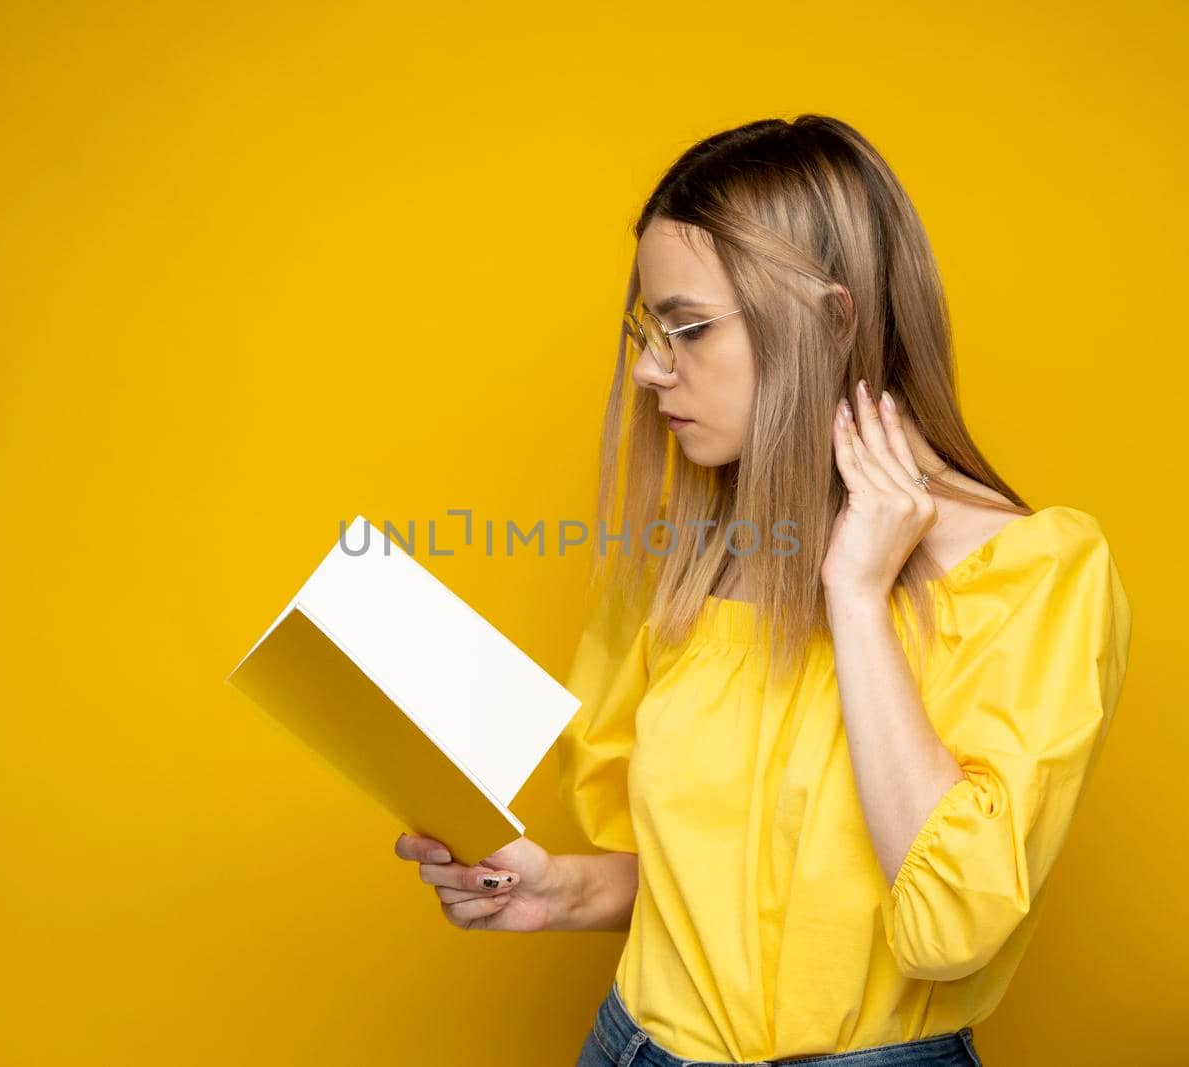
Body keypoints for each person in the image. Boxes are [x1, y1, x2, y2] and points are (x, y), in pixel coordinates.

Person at [393, 114, 1132, 1066]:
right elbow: (717, 880)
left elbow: (950, 925)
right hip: (634, 1046)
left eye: (688, 329)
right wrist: (560, 891)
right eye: (647, 332)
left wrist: (857, 598)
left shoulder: (1035, 574)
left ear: (830, 317)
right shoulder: (691, 557)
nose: (651, 370)